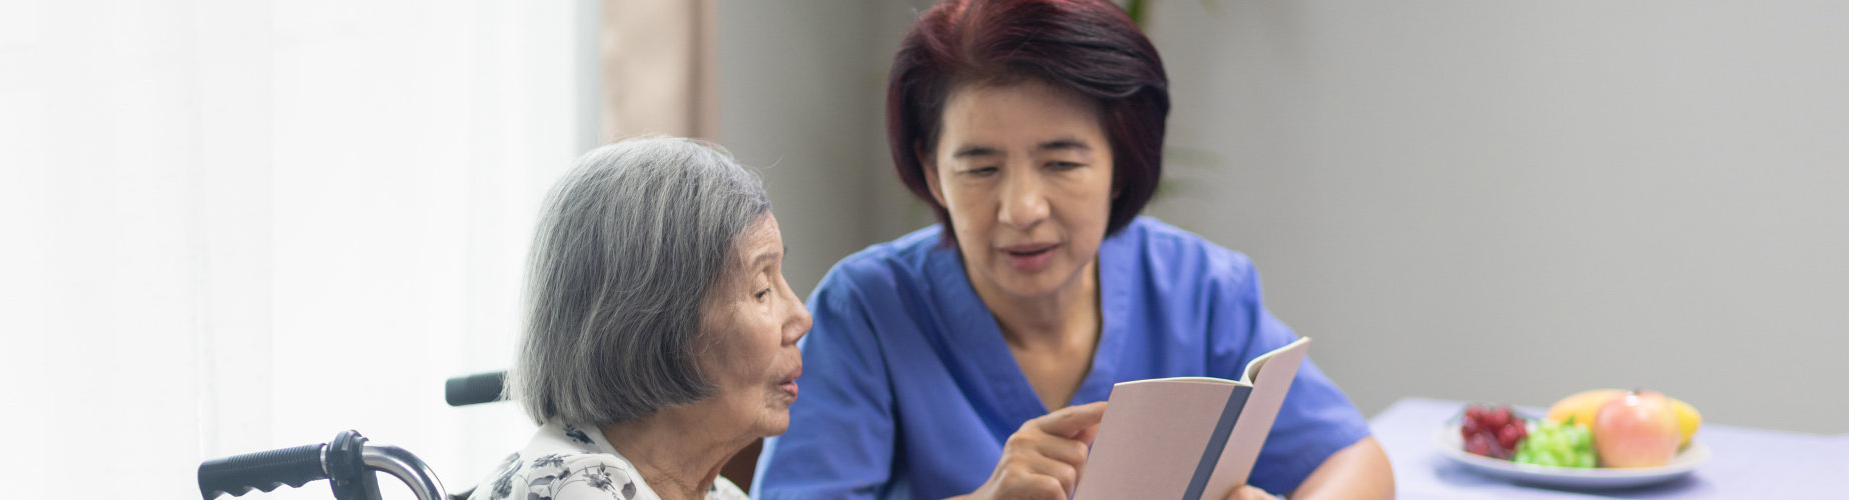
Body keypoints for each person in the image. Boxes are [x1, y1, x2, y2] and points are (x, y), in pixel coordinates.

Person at [751, 0, 1394, 499]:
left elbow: (1351, 457)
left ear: (1121, 164)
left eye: (1060, 162)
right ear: (930, 168)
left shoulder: (1199, 288)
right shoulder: (869, 307)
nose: (1022, 209)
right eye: (980, 168)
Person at [468, 137, 812, 500]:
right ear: (657, 325)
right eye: (762, 290)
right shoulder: (570, 486)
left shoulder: (718, 494)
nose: (801, 318)